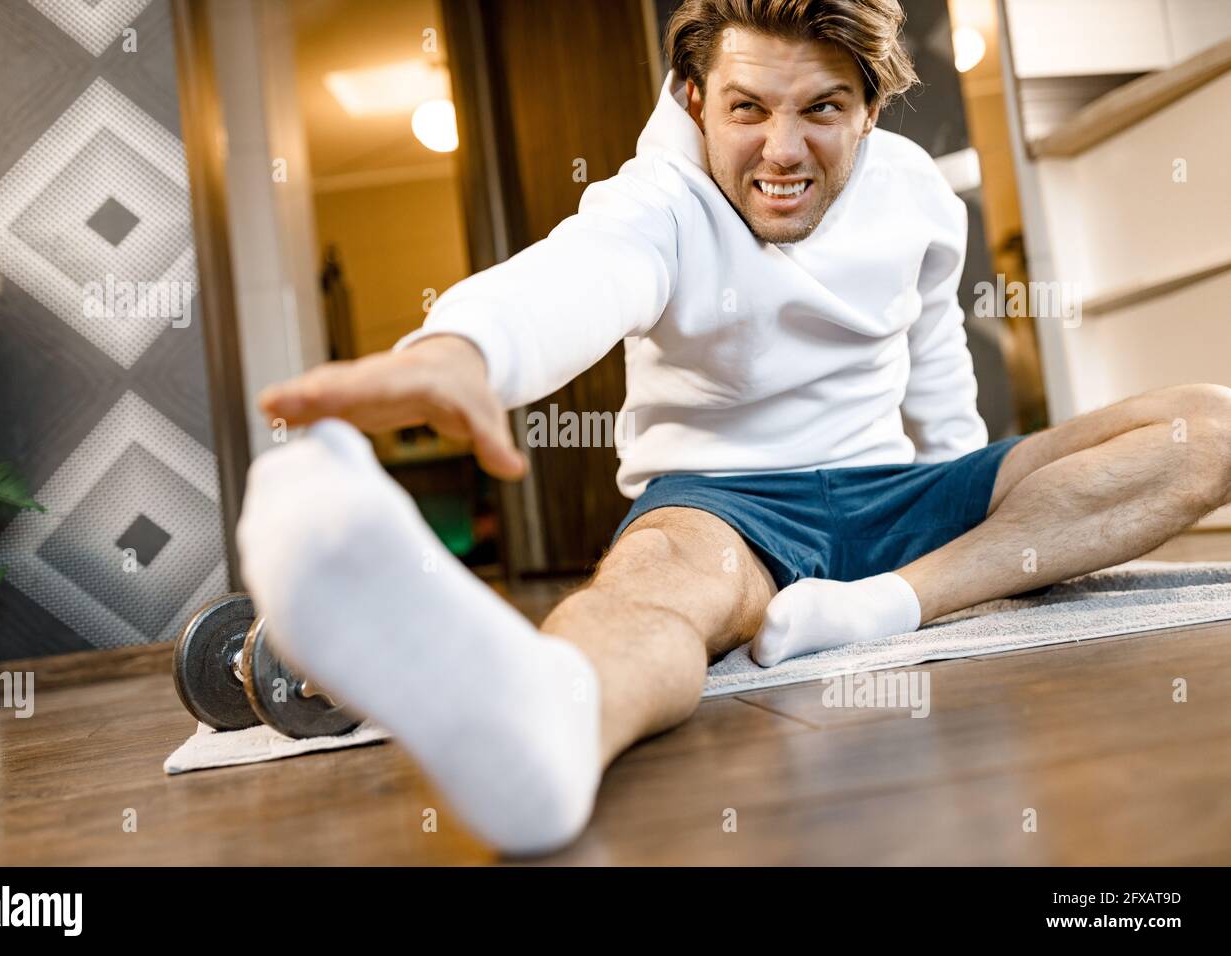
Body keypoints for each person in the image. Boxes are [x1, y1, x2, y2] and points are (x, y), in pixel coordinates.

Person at [236, 0, 1231, 855]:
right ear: (693, 97)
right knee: (654, 590)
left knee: (1208, 428)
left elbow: (934, 369)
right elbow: (578, 275)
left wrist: (966, 505)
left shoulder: (919, 194)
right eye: (748, 108)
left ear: (872, 109)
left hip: (894, 491)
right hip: (724, 508)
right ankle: (550, 727)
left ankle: (890, 603)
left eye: (822, 110)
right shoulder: (660, 200)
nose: (782, 150)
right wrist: (454, 353)